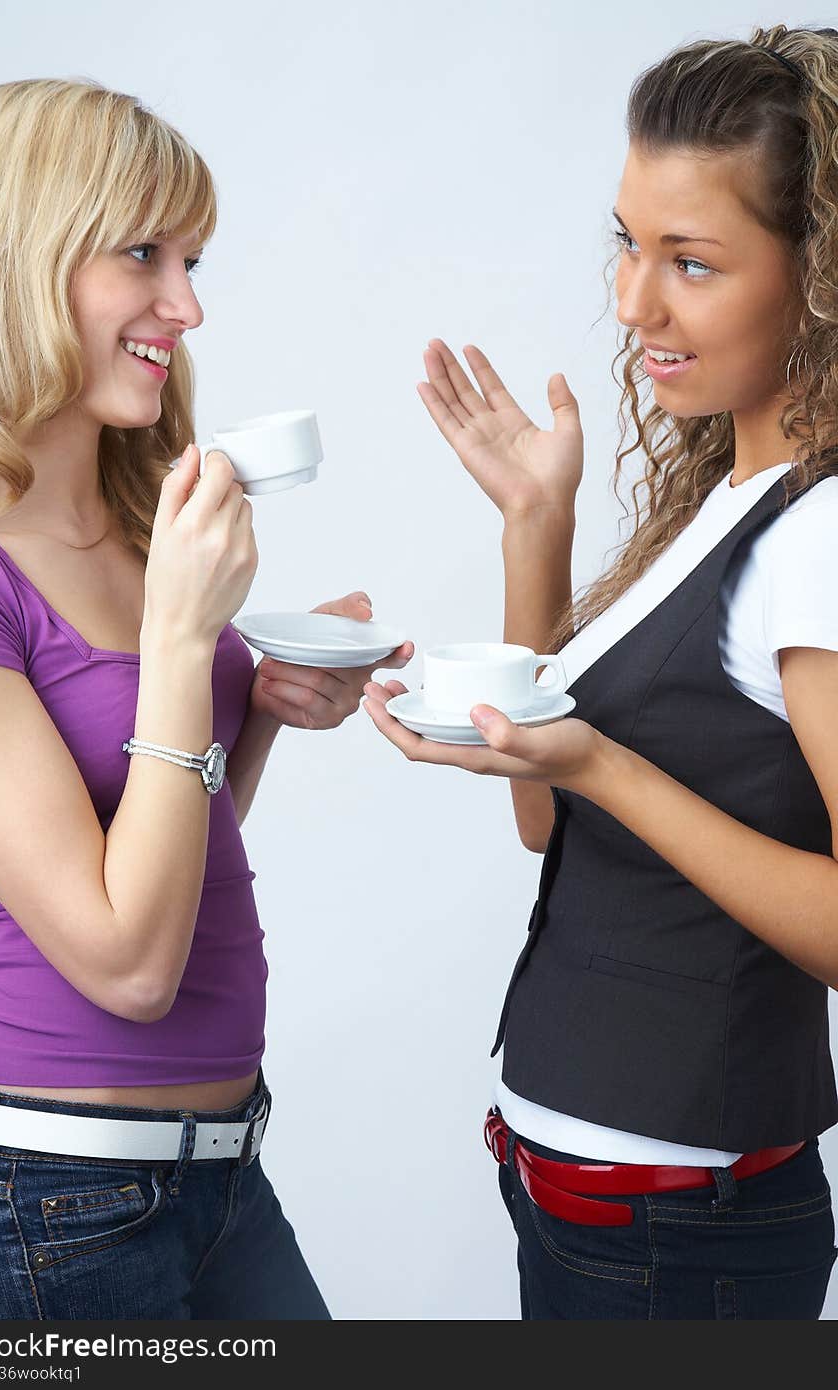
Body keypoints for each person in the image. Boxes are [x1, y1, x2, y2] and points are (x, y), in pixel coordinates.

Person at [364, 23, 838, 1319]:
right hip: (594, 1204)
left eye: (690, 261)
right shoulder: (730, 498)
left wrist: (606, 765)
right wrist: (536, 524)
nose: (634, 301)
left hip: (680, 1236)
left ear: (822, 278)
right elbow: (545, 811)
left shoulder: (819, 538)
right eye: (628, 242)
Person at [0, 77, 412, 1320]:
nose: (188, 305)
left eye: (194, 259)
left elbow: (157, 851)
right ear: (22, 255)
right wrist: (179, 638)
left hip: (218, 1181)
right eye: (144, 255)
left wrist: (255, 702)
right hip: (41, 1206)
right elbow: (127, 964)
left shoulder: (137, 513)